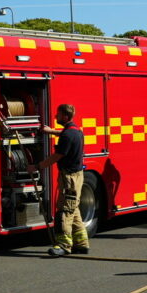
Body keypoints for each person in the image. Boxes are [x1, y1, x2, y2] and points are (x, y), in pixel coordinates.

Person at [28, 103, 88, 256]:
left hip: (69, 179)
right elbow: (65, 134)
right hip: (76, 176)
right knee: (73, 209)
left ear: (65, 117)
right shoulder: (76, 131)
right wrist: (51, 131)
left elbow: (56, 156)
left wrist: (37, 166)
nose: (56, 116)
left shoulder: (67, 135)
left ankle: (63, 245)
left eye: (58, 114)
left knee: (64, 211)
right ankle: (82, 243)